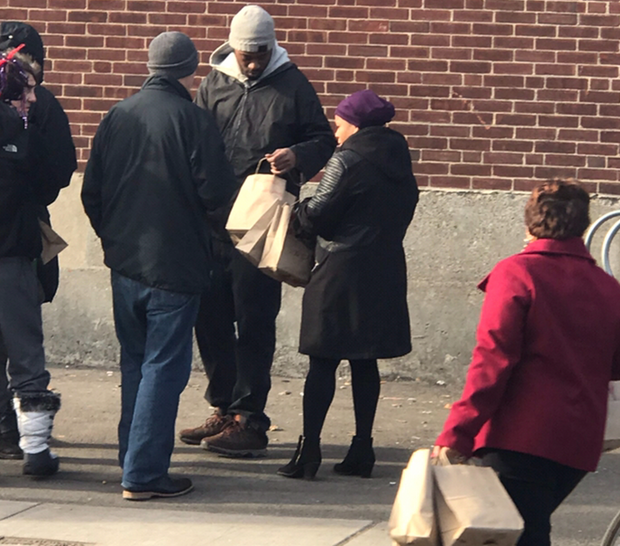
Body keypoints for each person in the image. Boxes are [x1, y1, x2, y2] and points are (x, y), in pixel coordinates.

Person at [81, 31, 238, 500]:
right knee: (164, 367)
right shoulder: (194, 120)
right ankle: (144, 474)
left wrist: (113, 239)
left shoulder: (117, 115)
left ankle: (133, 455)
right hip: (176, 264)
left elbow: (92, 192)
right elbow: (217, 194)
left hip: (125, 262)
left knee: (136, 363)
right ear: (190, 70)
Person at [179, 4, 336, 458]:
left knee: (253, 319)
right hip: (213, 220)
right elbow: (196, 138)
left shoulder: (293, 84)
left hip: (264, 221)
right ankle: (223, 405)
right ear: (234, 47)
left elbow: (323, 138)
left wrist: (298, 156)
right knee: (209, 317)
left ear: (272, 46)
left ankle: (251, 417)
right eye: (247, 53)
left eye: (260, 53)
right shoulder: (215, 83)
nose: (253, 62)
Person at [433, 179, 620, 546]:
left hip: (519, 435)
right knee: (525, 526)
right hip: (579, 439)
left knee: (518, 534)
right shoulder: (607, 287)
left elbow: (493, 359)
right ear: (582, 225)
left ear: (530, 223)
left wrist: (458, 431)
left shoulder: (516, 274)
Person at [277, 89, 419, 480]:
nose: (335, 132)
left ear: (353, 123)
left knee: (322, 361)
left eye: (338, 123)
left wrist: (299, 211)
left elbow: (318, 214)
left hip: (340, 269)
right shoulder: (400, 160)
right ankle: (362, 449)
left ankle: (309, 452)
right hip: (385, 267)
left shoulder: (348, 159)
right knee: (364, 360)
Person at [0, 21, 77, 461]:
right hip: (16, 245)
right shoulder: (37, 110)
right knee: (25, 349)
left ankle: (11, 433)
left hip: (17, 241)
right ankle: (33, 446)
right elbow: (58, 171)